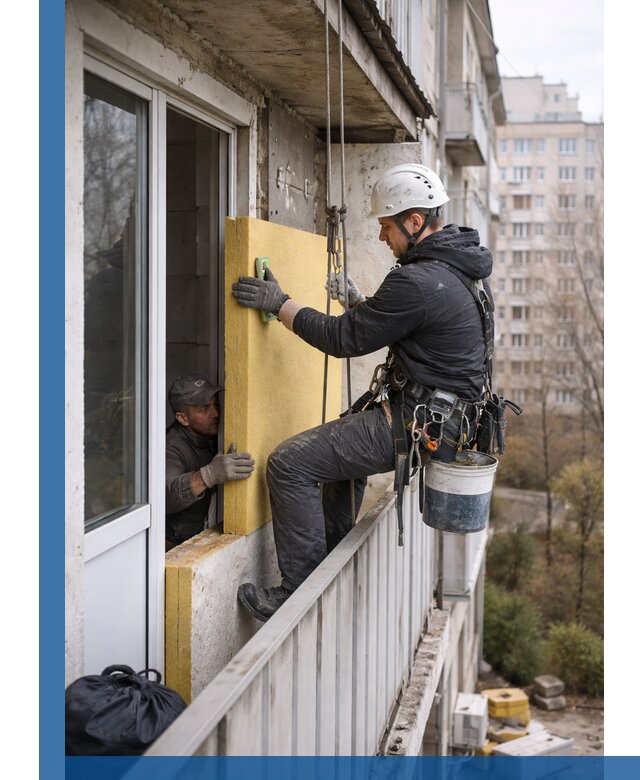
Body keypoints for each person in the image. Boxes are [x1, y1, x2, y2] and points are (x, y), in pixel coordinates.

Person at [231, 163, 494, 621]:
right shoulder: (460, 273)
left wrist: (282, 303)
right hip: (446, 419)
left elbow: (341, 340)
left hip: (421, 420)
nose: (380, 238)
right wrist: (361, 305)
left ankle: (297, 595)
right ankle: (328, 564)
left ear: (415, 223)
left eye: (386, 227)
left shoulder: (417, 280)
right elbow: (419, 329)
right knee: (339, 457)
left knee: (289, 463)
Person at [165, 374, 255, 551]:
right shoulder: (171, 447)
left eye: (216, 404)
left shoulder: (210, 436)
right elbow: (166, 494)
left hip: (204, 530)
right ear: (183, 418)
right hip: (176, 544)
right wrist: (207, 475)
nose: (215, 414)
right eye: (204, 408)